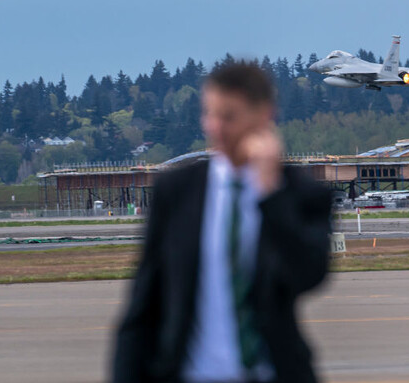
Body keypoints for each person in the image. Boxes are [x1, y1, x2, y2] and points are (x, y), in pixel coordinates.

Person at [112, 63, 332, 383]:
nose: (215, 127)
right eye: (209, 114)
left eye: (228, 116)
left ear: (264, 114)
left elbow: (309, 276)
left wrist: (271, 196)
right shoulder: (177, 191)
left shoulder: (301, 193)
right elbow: (142, 307)